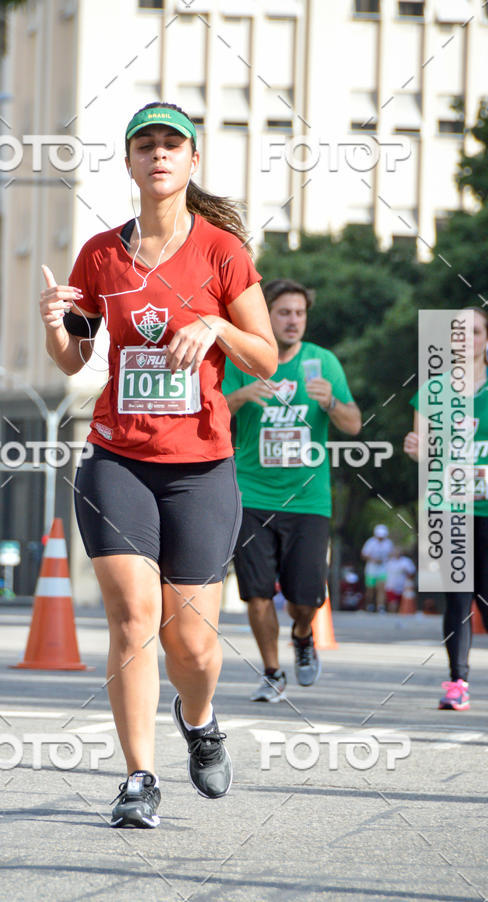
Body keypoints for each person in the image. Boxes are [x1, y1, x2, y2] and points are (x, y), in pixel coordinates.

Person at [39, 102, 277, 827]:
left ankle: (198, 720)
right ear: (131, 162)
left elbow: (264, 354)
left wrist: (212, 324)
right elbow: (74, 358)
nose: (160, 154)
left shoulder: (222, 253)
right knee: (132, 619)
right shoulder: (101, 254)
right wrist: (56, 326)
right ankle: (139, 777)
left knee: (194, 644)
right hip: (117, 458)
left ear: (192, 161)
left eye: (173, 144)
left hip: (200, 465)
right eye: (146, 144)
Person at [222, 279, 361, 701]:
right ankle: (271, 672)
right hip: (252, 496)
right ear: (266, 315)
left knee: (306, 599)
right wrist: (242, 395)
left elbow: (354, 424)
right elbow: (209, 410)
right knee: (258, 593)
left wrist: (331, 404)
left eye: (300, 313)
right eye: (284, 312)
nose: (294, 321)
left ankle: (303, 637)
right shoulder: (242, 360)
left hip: (307, 499)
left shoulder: (322, 363)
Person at [404, 306, 488, 710]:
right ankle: (458, 682)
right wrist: (416, 448)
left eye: (473, 331)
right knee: (457, 597)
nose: (464, 339)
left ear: (485, 339)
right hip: (450, 509)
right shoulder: (432, 392)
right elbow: (425, 453)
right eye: (456, 332)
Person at [361, 525, 394, 612]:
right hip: (371, 569)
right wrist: (373, 559)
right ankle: (370, 605)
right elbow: (364, 554)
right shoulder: (371, 542)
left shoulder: (388, 543)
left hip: (383, 569)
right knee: (370, 589)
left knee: (381, 588)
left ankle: (380, 607)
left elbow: (391, 554)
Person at [384, 546, 416, 613]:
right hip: (391, 585)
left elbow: (412, 572)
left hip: (403, 586)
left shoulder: (406, 561)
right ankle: (392, 615)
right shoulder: (389, 562)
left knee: (402, 603)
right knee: (393, 602)